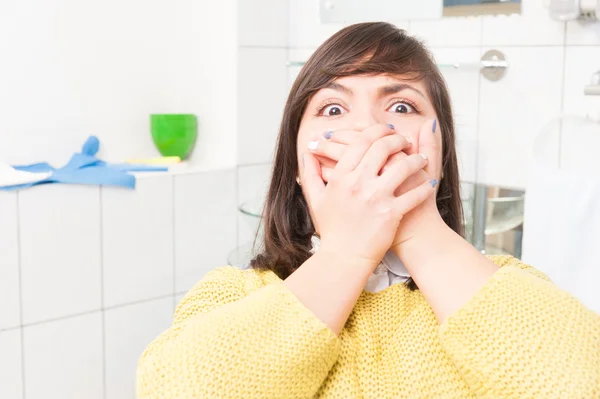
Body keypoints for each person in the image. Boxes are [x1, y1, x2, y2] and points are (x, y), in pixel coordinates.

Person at [136, 22, 600, 398]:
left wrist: (418, 230)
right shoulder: (233, 294)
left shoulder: (505, 286)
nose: (369, 128)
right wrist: (348, 250)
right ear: (298, 168)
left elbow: (580, 383)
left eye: (401, 105)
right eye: (334, 110)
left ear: (441, 154)